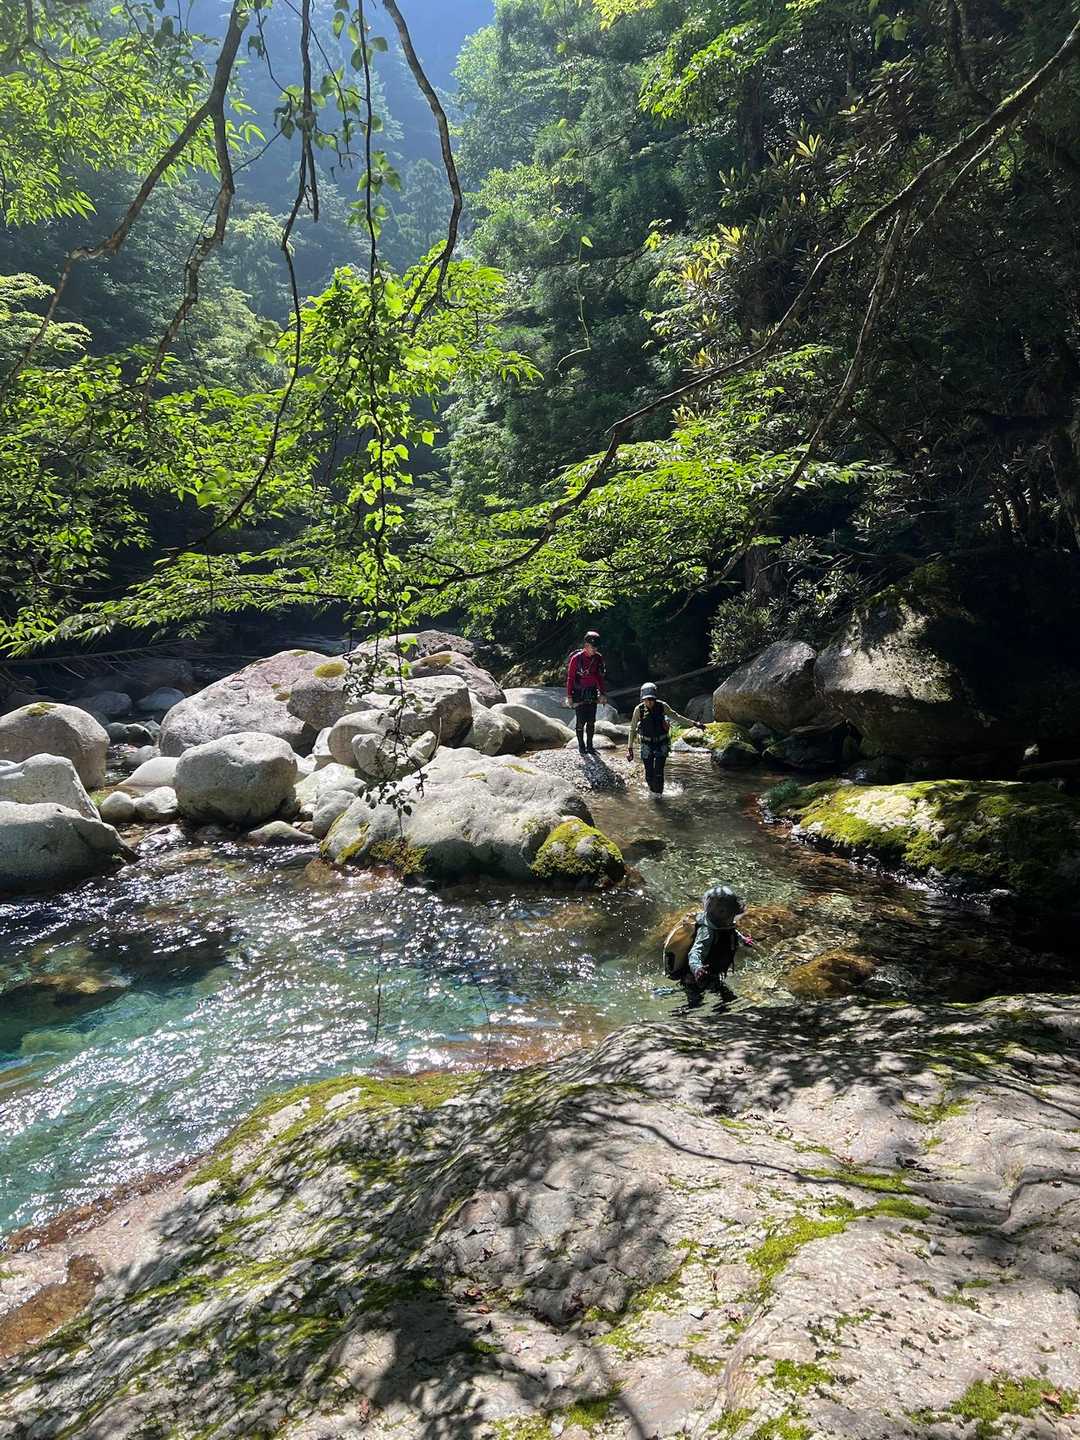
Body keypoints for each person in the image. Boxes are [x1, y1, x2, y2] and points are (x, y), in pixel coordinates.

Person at [663, 884, 747, 1005]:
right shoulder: (707, 932)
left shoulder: (724, 924)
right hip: (695, 978)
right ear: (723, 913)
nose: (733, 918)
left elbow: (731, 932)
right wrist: (697, 968)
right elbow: (694, 953)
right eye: (731, 913)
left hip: (711, 975)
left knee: (726, 997)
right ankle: (678, 1014)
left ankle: (721, 1012)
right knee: (695, 1003)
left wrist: (743, 940)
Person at [627, 682, 694, 795]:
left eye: (652, 699)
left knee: (659, 773)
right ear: (642, 699)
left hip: (661, 743)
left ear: (655, 698)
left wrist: (694, 724)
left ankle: (659, 796)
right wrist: (630, 748)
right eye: (647, 700)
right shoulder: (639, 710)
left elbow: (676, 717)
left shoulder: (662, 706)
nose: (649, 702)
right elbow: (632, 729)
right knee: (649, 774)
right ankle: (653, 794)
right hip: (646, 743)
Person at [565, 629, 607, 755]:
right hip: (578, 692)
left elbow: (599, 677)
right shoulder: (576, 659)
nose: (594, 650)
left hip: (592, 691)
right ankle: (581, 746)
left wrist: (602, 693)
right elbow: (570, 678)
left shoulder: (598, 658)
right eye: (592, 647)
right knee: (580, 721)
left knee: (591, 721)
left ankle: (590, 746)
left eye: (596, 647)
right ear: (586, 645)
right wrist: (569, 696)